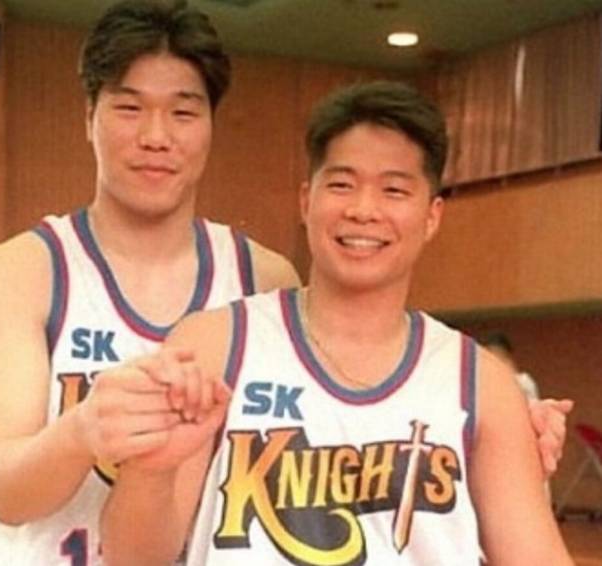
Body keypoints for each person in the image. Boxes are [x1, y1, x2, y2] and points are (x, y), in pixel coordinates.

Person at [101, 81, 574, 565]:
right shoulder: (214, 348)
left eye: (394, 190)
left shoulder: (480, 384)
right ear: (306, 201)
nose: (363, 210)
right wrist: (153, 469)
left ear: (432, 216)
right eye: (342, 184)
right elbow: (130, 560)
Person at [0, 1, 299, 565]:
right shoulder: (21, 271)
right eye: (129, 108)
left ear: (211, 125)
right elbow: (4, 491)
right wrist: (83, 431)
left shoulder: (266, 280)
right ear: (88, 117)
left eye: (183, 112)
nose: (156, 136)